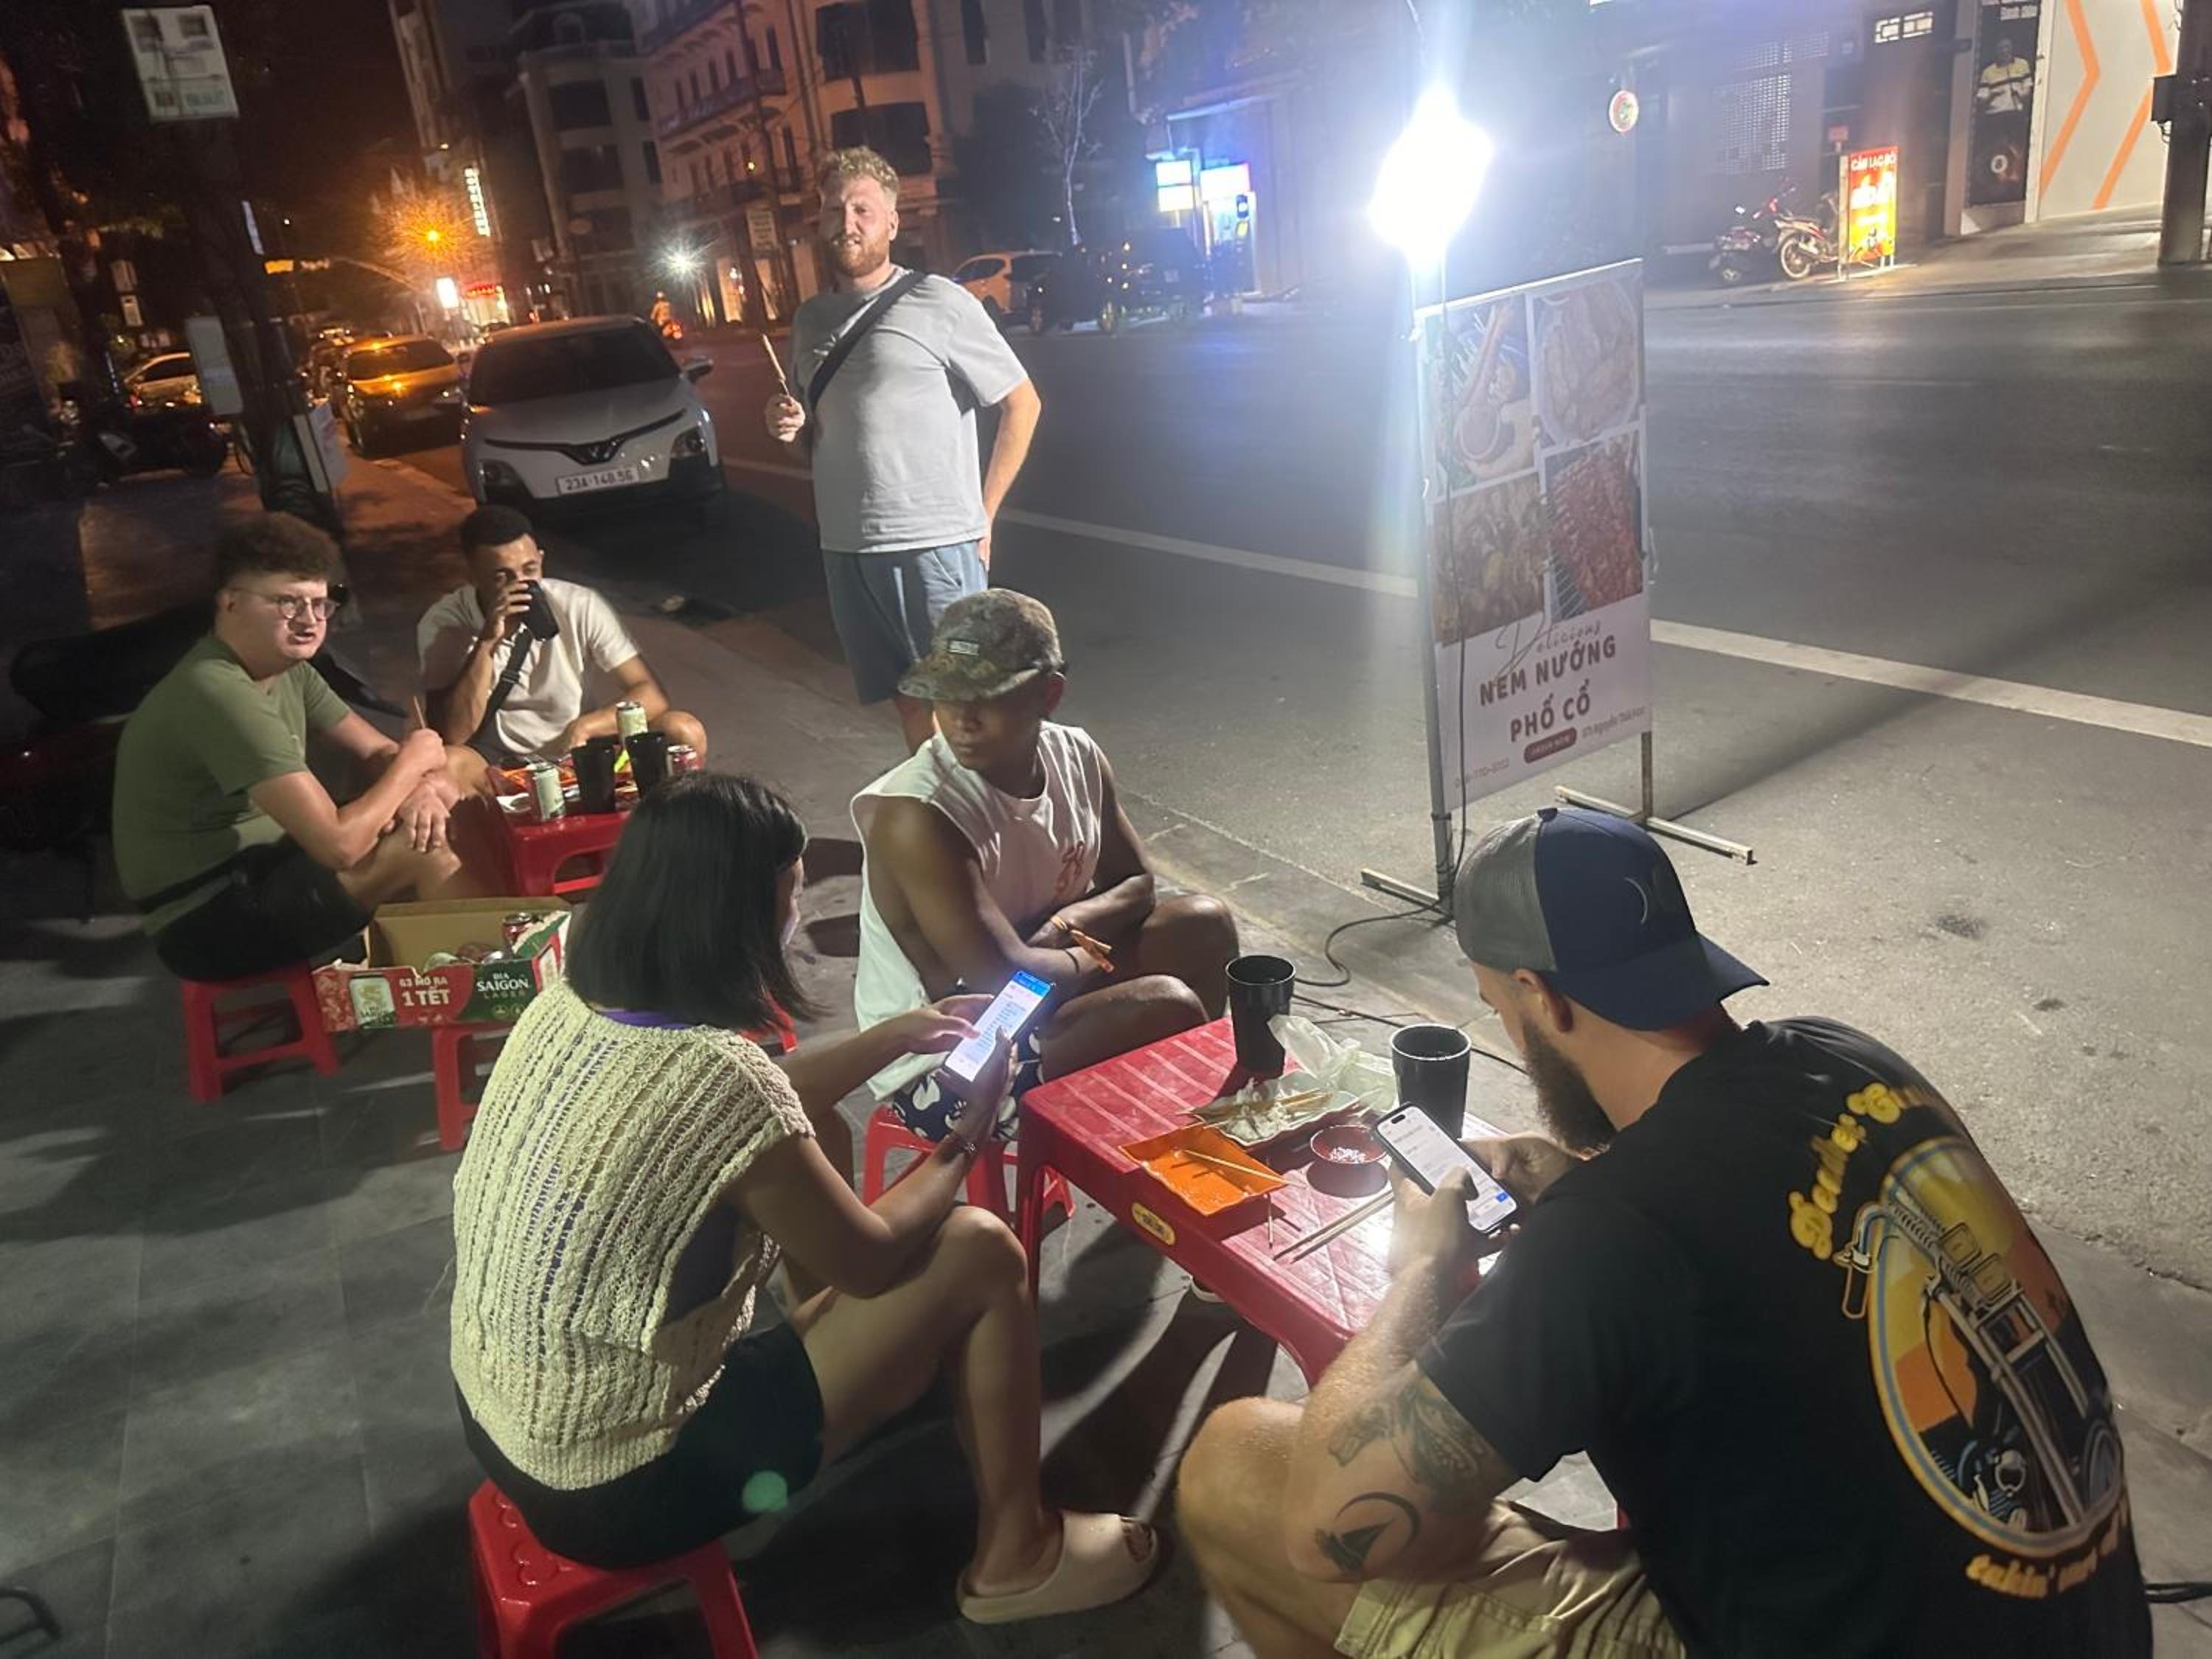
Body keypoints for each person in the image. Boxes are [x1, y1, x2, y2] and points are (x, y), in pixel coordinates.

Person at [1178, 806, 2149, 1659]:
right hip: (2084, 1622)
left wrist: (1424, 1262)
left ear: (1542, 998)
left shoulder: (1612, 1236)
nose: (1510, 1028)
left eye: (1497, 1007)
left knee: (1236, 1468)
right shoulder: (1851, 1060)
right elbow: (1750, 1218)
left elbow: (1328, 1528)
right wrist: (1575, 1177)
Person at [448, 772, 1163, 1623]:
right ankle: (1018, 1556)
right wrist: (967, 1134)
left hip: (506, 1417)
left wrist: (892, 1037)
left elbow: (754, 1101)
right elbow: (870, 1260)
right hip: (623, 1483)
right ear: (735, 917)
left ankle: (865, 1370)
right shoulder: (715, 1078)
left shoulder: (564, 1006)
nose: (796, 916)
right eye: (790, 895)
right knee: (978, 1246)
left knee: (811, 1131)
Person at [852, 590, 1238, 1141]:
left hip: (1041, 978)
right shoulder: (919, 814)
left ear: (1048, 694)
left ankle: (1179, 1122)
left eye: (987, 698)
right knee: (1164, 1006)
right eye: (947, 697)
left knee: (1205, 923)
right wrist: (1089, 956)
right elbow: (1000, 978)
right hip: (950, 1054)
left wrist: (1060, 929)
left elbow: (1137, 883)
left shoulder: (1077, 755)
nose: (961, 720)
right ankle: (1163, 1145)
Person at [765, 147, 1044, 752]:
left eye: (863, 209)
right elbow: (812, 447)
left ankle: (998, 813)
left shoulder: (940, 302)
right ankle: (939, 811)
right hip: (847, 547)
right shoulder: (811, 320)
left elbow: (1022, 404)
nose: (848, 222)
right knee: (910, 702)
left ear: (892, 223)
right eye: (835, 209)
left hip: (932, 543)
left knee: (969, 708)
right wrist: (788, 432)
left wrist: (985, 512)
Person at [112, 513, 472, 981]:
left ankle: (460, 971)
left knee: (454, 772)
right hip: (205, 916)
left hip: (269, 864)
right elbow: (340, 847)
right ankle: (489, 994)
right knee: (426, 846)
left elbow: (376, 752)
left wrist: (418, 785)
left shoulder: (289, 671)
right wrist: (412, 765)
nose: (309, 621)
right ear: (230, 602)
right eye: (286, 602)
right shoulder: (218, 692)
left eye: (320, 604)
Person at [417, 504, 706, 767]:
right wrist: (487, 643)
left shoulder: (578, 604)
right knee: (448, 765)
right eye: (502, 577)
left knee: (682, 730)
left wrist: (587, 726)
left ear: (541, 560)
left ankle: (687, 807)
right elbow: (453, 734)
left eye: (530, 569)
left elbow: (651, 694)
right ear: (472, 576)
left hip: (581, 748)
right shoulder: (446, 624)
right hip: (499, 760)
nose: (521, 585)